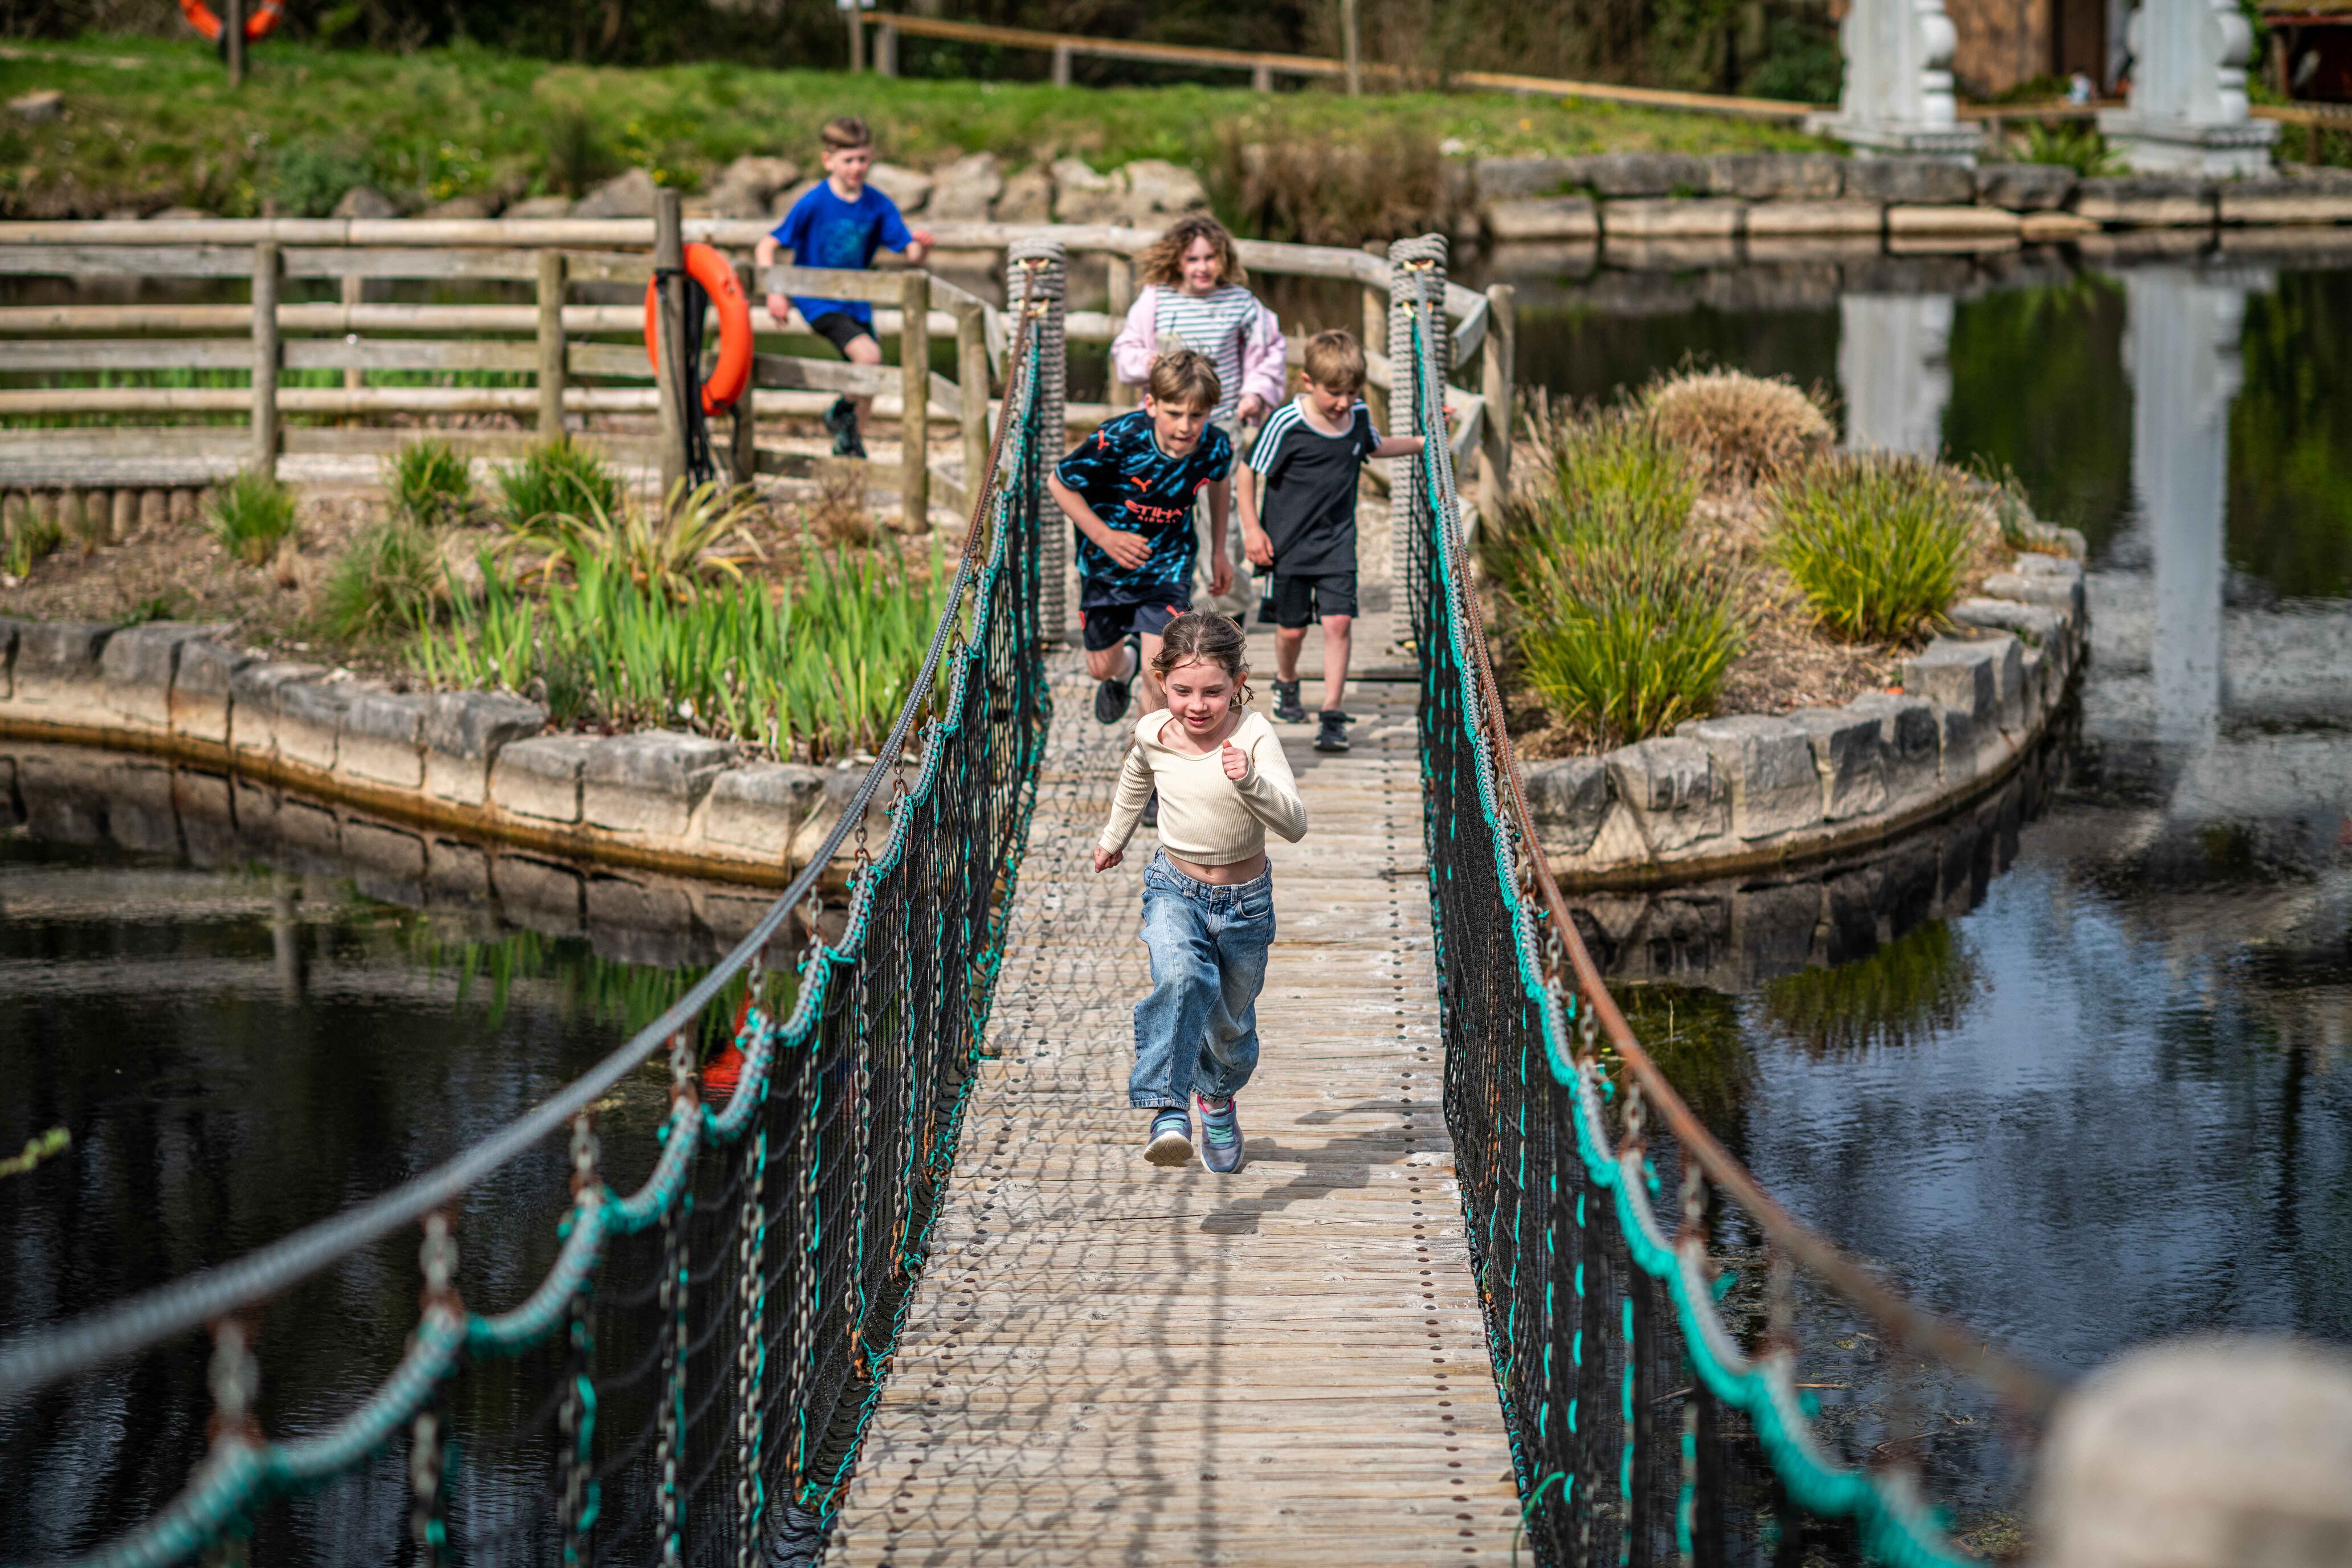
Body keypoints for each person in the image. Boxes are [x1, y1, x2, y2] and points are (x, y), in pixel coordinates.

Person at [1093, 611, 1306, 1174]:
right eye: (1183, 690)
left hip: (1244, 903)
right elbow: (1136, 777)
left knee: (1230, 1028)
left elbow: (1295, 824)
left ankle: (1216, 1098)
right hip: (1174, 888)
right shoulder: (1152, 731)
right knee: (1182, 978)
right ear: (1161, 680)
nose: (1197, 704)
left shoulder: (1253, 734)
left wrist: (1251, 782)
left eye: (1214, 691)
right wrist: (1114, 838)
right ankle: (1168, 1110)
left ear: (1238, 684)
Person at [1239, 329, 1424, 754]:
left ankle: (1332, 712)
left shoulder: (1357, 417)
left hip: (1338, 543)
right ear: (1308, 382)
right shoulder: (1287, 422)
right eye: (1334, 393)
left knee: (1338, 623)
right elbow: (1249, 471)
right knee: (1291, 630)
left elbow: (1374, 447)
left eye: (1351, 392)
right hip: (1287, 546)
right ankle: (1287, 681)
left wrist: (1421, 444)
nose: (1343, 402)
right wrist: (1253, 529)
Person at [1047, 349, 1234, 732]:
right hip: (1106, 568)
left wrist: (1219, 550)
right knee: (1101, 667)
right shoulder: (1117, 439)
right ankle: (1123, 668)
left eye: (1196, 416)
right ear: (1151, 403)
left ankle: (1145, 776)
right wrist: (1105, 537)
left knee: (1160, 675)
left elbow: (1220, 478)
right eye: (1174, 413)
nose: (1185, 426)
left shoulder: (1214, 444)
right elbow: (1059, 482)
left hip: (1168, 565)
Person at [1112, 214, 1285, 618]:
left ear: (1224, 260)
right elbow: (1126, 351)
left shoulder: (1240, 303)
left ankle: (1227, 606)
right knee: (1171, 514)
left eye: (1210, 258)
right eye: (1193, 259)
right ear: (1177, 261)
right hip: (1168, 430)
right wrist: (1149, 361)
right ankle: (1176, 604)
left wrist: (1255, 392)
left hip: (1221, 424)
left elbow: (1270, 350)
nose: (1203, 267)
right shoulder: (1157, 300)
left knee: (1224, 524)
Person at [754, 116, 933, 460]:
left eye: (863, 159)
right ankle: (839, 413)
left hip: (856, 302)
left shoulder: (878, 204)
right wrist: (775, 291)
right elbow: (767, 245)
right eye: (848, 160)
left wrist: (923, 246)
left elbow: (911, 254)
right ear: (829, 161)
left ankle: (851, 443)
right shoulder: (814, 202)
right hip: (816, 299)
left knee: (870, 375)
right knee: (869, 357)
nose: (857, 167)